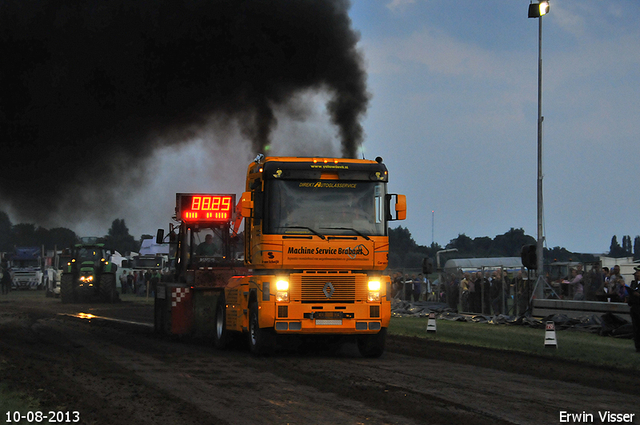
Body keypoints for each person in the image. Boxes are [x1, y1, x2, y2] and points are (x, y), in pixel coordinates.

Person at [627, 267, 640, 352]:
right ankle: (637, 347)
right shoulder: (633, 284)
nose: (636, 275)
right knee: (636, 329)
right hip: (634, 308)